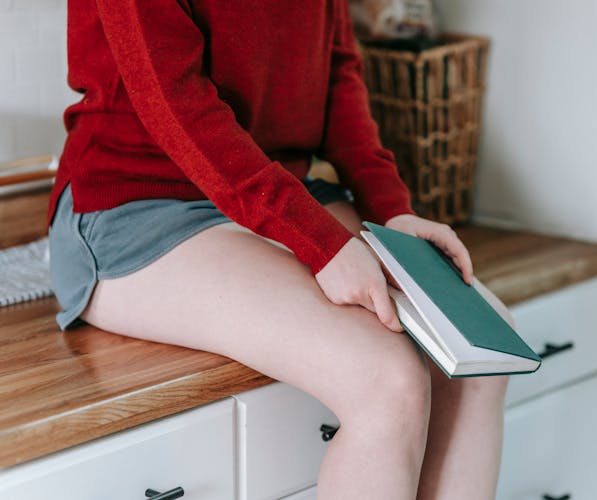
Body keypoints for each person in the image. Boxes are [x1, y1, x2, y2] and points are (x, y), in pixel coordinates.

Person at [47, 1, 509, 498]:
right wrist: (323, 244)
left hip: (274, 190)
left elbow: (336, 77)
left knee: (481, 353)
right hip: (137, 204)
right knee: (388, 380)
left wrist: (392, 211)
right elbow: (174, 103)